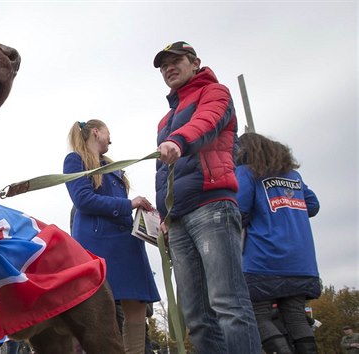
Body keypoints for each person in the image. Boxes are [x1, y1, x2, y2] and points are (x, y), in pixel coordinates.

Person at [152, 41, 260, 354]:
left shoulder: (215, 93)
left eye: (176, 61)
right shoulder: (164, 120)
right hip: (178, 218)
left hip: (212, 206)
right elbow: (164, 171)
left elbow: (207, 122)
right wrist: (163, 215)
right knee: (196, 315)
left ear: (195, 63)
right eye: (163, 65)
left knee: (228, 303)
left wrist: (179, 140)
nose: (169, 68)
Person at [64, 119, 161, 354]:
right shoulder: (75, 159)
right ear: (96, 132)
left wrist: (142, 215)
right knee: (93, 309)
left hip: (127, 243)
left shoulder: (112, 164)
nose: (111, 138)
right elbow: (83, 200)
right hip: (98, 244)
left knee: (137, 305)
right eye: (109, 132)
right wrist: (129, 203)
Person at [236, 132, 321, 354]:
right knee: (296, 318)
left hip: (264, 259)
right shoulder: (294, 176)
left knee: (259, 315)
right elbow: (312, 205)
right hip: (302, 262)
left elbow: (239, 211)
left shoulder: (246, 173)